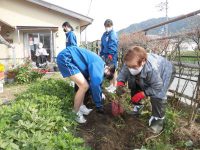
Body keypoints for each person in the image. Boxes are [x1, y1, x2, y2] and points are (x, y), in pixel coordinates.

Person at [116, 46, 175, 134]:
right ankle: (138, 108)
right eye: (129, 67)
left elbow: (157, 86)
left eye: (134, 67)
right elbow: (124, 71)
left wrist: (143, 93)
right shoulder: (130, 61)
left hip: (165, 71)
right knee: (134, 82)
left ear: (143, 62)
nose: (131, 69)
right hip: (148, 72)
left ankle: (157, 122)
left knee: (158, 95)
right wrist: (120, 83)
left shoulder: (152, 69)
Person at [57, 46, 115, 123]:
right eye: (107, 74)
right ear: (107, 68)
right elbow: (95, 84)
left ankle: (81, 107)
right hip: (67, 58)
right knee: (84, 86)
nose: (105, 76)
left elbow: (96, 82)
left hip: (69, 57)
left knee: (82, 83)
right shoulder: (100, 65)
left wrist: (100, 93)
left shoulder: (99, 64)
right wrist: (99, 105)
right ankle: (74, 114)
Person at [100, 19, 118, 93]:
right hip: (105, 55)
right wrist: (101, 54)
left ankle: (115, 86)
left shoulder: (113, 34)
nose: (107, 27)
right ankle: (111, 85)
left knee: (114, 70)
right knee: (109, 71)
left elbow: (113, 45)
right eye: (106, 26)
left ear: (111, 26)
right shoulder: (104, 34)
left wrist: (110, 55)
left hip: (112, 55)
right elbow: (102, 45)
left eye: (108, 26)